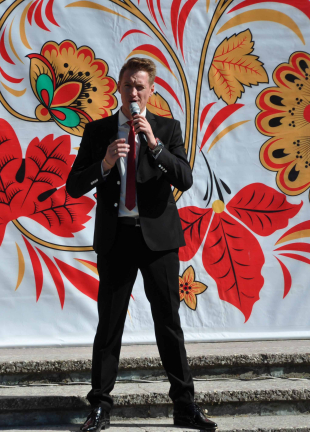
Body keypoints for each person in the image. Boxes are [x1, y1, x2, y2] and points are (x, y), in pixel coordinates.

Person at [66, 58, 217, 431]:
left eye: (139, 86)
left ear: (151, 90)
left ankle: (185, 406)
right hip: (116, 238)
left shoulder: (167, 128)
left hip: (158, 241)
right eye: (127, 85)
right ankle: (100, 407)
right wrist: (103, 164)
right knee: (109, 325)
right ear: (118, 88)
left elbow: (185, 178)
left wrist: (154, 145)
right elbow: (74, 186)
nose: (133, 93)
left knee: (168, 323)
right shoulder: (98, 131)